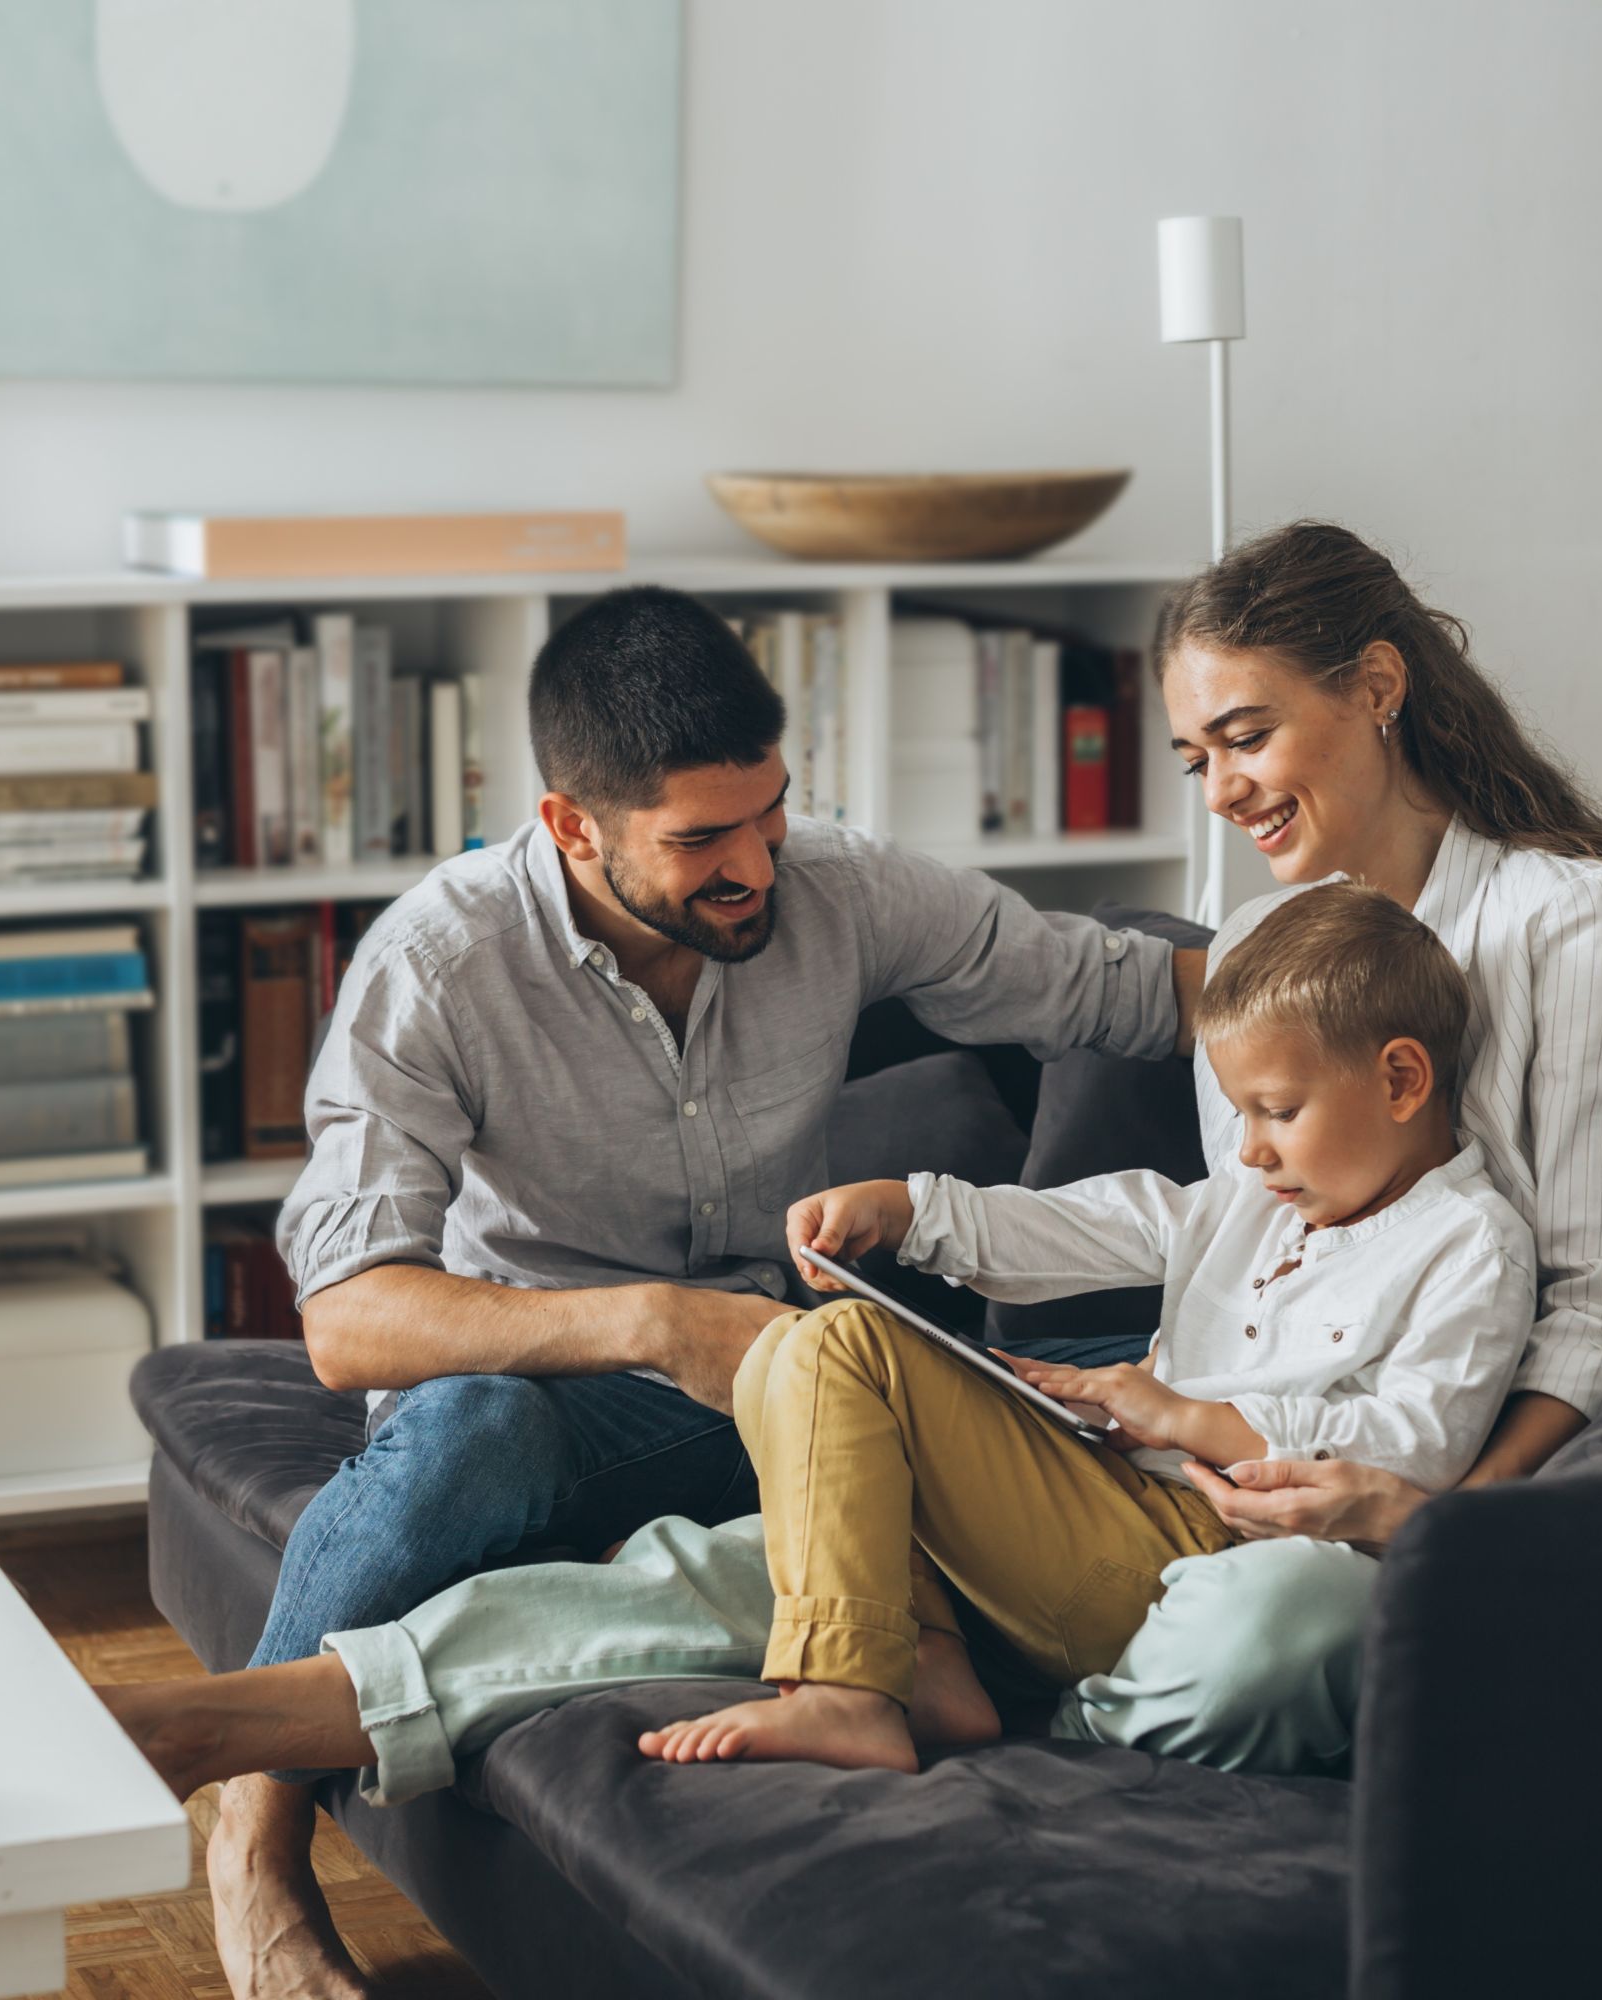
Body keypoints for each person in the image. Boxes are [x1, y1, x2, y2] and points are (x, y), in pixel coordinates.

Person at [201, 583, 1204, 2000]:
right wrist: (656, 1323)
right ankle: (254, 1838)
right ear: (571, 824)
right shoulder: (436, 965)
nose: (758, 867)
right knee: (477, 1428)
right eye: (700, 842)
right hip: (537, 1391)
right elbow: (349, 1324)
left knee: (996, 1392)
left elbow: (1121, 991)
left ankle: (885, 1650)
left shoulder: (839, 888)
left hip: (779, 1381)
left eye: (771, 814)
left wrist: (1395, 1000)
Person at [105, 883, 1535, 1790]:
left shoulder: (1468, 1243)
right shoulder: (1254, 1196)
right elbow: (1106, 1223)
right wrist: (910, 1210)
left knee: (827, 1359)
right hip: (1082, 1518)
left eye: (1277, 1114)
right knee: (709, 1555)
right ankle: (249, 1723)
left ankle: (857, 1687)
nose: (1258, 1151)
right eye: (1246, 1120)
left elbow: (1404, 1456)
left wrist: (1185, 1417)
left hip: (1210, 1551)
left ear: (1403, 1078)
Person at [1051, 518, 1602, 1773]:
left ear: (1377, 687)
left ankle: (1065, 1698)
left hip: (1382, 1491)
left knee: (1267, 1634)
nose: (1222, 789)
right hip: (1222, 1450)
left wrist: (1429, 1520)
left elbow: (1589, 1309)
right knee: (835, 1450)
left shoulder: (1566, 922)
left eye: (1247, 736)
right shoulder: (1253, 943)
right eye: (1197, 757)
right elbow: (1244, 1231)